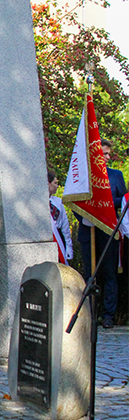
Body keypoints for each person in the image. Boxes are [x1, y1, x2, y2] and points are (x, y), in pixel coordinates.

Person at [76, 139, 126, 329]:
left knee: (109, 274)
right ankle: (90, 313)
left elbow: (124, 199)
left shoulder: (115, 176)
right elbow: (74, 201)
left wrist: (104, 203)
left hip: (108, 232)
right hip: (88, 231)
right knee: (90, 274)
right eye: (103, 154)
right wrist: (87, 216)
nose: (106, 158)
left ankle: (108, 315)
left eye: (108, 154)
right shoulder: (82, 176)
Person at [48, 169, 73, 265]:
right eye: (55, 183)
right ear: (48, 184)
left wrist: (69, 248)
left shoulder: (58, 202)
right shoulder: (39, 203)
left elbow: (65, 226)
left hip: (59, 237)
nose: (57, 186)